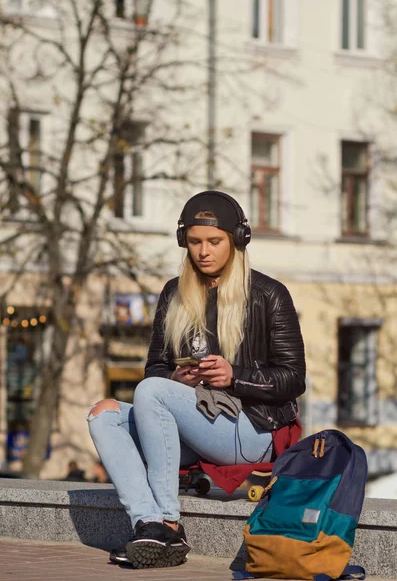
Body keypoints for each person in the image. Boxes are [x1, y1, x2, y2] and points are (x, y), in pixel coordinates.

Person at [87, 190, 306, 570]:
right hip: (194, 424)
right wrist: (176, 378)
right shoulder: (174, 293)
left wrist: (233, 376)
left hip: (251, 429)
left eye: (214, 241)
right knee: (103, 412)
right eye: (194, 242)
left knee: (152, 392)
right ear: (183, 242)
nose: (203, 251)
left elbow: (293, 378)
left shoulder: (269, 294)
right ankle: (148, 524)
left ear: (237, 240)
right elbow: (155, 371)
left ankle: (170, 523)